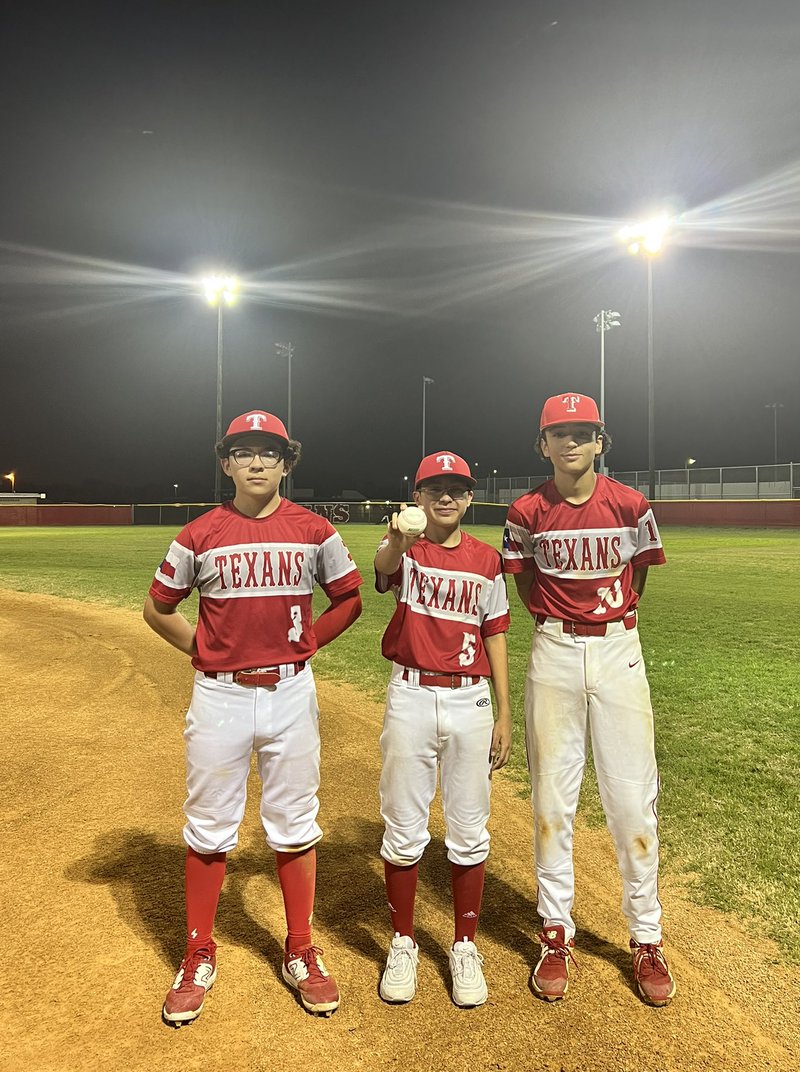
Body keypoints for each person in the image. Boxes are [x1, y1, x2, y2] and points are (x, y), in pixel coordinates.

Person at [143, 409, 363, 1026]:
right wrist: (201, 648)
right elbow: (158, 608)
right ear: (226, 463)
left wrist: (307, 644)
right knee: (210, 825)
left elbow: (349, 599)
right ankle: (197, 952)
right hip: (221, 695)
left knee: (295, 822)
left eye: (270, 452)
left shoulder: (314, 530)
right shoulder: (198, 534)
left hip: (292, 692)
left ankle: (300, 949)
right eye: (244, 452)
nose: (258, 461)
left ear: (287, 462)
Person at [502, 393, 675, 1007]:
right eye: (558, 433)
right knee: (553, 796)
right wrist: (560, 624)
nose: (570, 443)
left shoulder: (630, 504)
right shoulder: (526, 511)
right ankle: (555, 931)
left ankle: (646, 936)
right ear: (542, 445)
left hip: (618, 651)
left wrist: (613, 622)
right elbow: (522, 579)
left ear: (601, 440)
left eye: (582, 432)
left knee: (632, 799)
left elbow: (640, 576)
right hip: (554, 651)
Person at [374, 451, 512, 1008]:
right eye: (435, 489)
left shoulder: (487, 560)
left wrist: (504, 711)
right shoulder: (408, 549)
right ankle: (404, 941)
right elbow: (383, 567)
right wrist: (394, 541)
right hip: (410, 693)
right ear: (418, 496)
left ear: (470, 497)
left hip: (470, 700)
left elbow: (495, 632)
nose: (446, 497)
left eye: (456, 489)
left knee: (469, 827)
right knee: (404, 825)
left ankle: (462, 946)